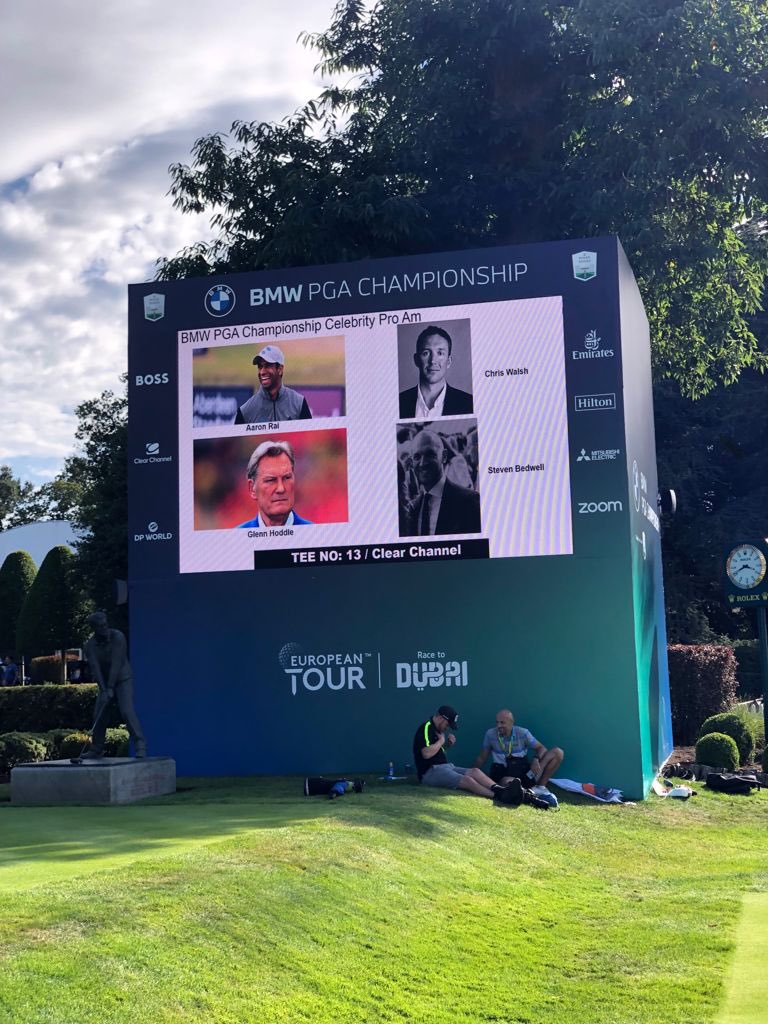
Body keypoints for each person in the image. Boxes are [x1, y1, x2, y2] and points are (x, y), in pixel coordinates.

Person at [78, 612, 146, 759]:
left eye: (105, 625)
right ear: (94, 628)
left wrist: (110, 687)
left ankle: (140, 745)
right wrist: (104, 689)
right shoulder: (90, 646)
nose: (104, 628)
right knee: (99, 714)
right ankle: (96, 749)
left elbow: (117, 663)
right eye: (100, 626)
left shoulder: (118, 637)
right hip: (105, 683)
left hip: (122, 679)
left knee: (126, 711)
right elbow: (95, 669)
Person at [413, 705, 516, 801]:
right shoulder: (426, 728)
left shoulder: (438, 730)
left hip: (445, 767)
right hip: (430, 772)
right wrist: (441, 741)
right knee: (467, 780)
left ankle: (500, 789)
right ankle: (500, 796)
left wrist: (447, 745)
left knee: (474, 771)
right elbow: (426, 754)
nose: (447, 728)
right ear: (440, 718)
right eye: (447, 724)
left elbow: (436, 753)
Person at [401, 429, 481, 536]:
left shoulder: (469, 501)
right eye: (417, 457)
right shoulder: (413, 509)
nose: (422, 463)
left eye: (430, 455)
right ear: (411, 462)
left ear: (444, 456)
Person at [474, 709, 564, 798]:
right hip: (504, 774)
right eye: (497, 722)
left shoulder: (523, 733)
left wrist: (536, 759)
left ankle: (540, 787)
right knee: (509, 782)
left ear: (511, 723)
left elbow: (541, 748)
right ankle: (525, 792)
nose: (499, 726)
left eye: (502, 723)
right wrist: (473, 772)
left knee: (557, 752)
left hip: (524, 772)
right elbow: (482, 757)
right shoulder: (490, 734)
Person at [399, 325, 473, 419]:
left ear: (449, 361)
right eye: (426, 353)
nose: (433, 360)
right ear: (416, 360)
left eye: (440, 353)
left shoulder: (469, 403)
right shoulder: (398, 402)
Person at [238, 440, 313, 528]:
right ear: (252, 489)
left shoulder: (314, 534)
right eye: (270, 480)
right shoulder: (236, 537)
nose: (281, 489)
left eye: (287, 478)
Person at [234, 344, 312, 423]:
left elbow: (309, 434)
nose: (262, 372)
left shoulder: (298, 402)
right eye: (260, 366)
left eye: (268, 365)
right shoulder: (245, 411)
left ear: (280, 369)